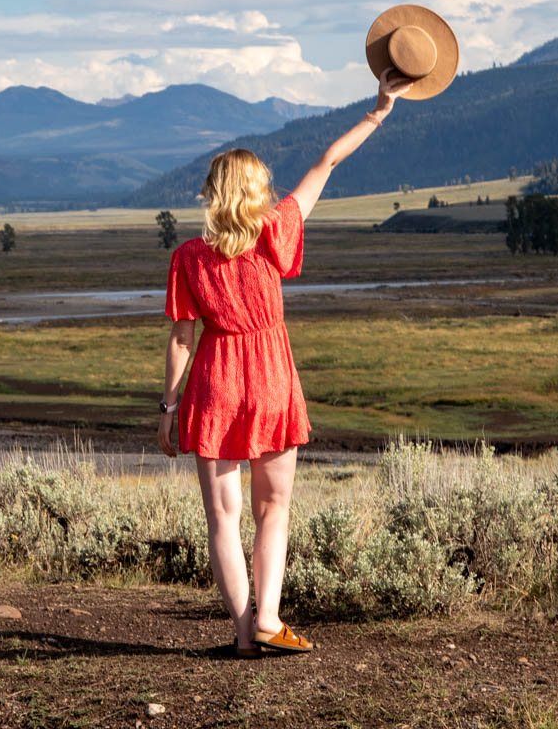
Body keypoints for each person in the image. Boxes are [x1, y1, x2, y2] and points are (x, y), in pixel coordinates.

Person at [156, 66, 414, 657]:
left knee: (223, 517)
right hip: (270, 376)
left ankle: (246, 639)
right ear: (256, 191)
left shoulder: (189, 257)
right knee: (275, 507)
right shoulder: (276, 230)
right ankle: (270, 619)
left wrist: (167, 408)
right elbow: (327, 164)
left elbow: (180, 337)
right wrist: (378, 112)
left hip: (216, 379)